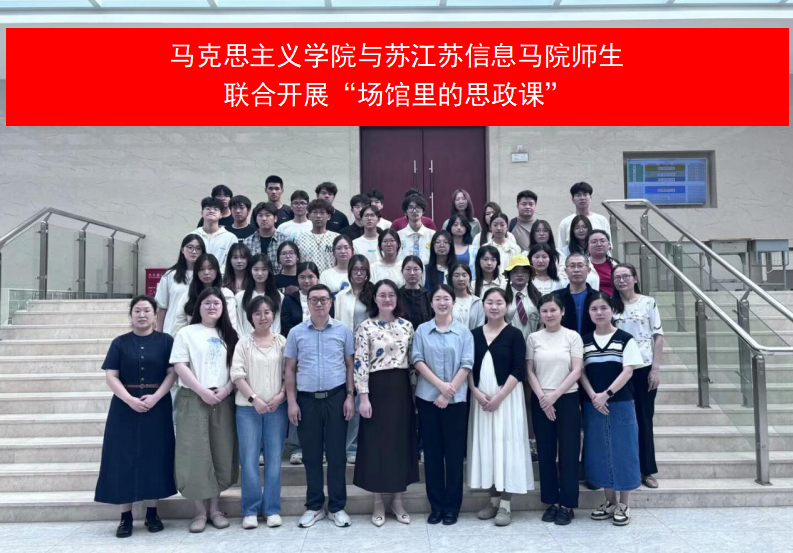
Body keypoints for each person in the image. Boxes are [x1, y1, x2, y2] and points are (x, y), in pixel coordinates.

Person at [95, 296, 177, 538]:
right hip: (124, 407)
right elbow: (111, 376)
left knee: (155, 456)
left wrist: (156, 397)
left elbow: (172, 373)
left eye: (147, 311)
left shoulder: (166, 341)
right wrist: (129, 399)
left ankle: (152, 514)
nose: (142, 315)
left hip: (157, 406)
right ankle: (126, 517)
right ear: (131, 315)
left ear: (155, 314)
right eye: (137, 311)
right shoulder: (119, 343)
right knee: (123, 458)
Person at [285, 284, 356, 528]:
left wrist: (350, 396)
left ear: (330, 303)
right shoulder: (296, 333)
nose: (319, 304)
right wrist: (291, 401)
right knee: (311, 455)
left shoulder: (343, 331)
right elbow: (289, 369)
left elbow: (350, 365)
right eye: (314, 299)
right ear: (307, 303)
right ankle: (315, 506)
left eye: (323, 299)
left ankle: (337, 507)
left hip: (336, 397)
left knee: (337, 455)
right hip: (306, 400)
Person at [170, 287, 240, 533]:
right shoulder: (186, 333)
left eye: (216, 303)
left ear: (223, 308)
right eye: (207, 303)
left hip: (222, 399)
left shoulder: (230, 334)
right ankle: (199, 512)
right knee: (195, 454)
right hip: (194, 397)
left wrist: (227, 389)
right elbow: (180, 365)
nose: (212, 307)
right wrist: (201, 391)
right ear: (198, 306)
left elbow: (238, 367)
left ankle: (215, 510)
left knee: (221, 451)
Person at [354, 280, 418, 527]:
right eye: (382, 295)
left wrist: (414, 395)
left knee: (400, 443)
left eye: (391, 295)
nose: (387, 299)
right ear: (375, 298)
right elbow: (360, 362)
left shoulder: (407, 326)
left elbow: (412, 363)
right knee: (376, 445)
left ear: (397, 299)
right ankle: (378, 501)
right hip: (376, 388)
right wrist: (363, 396)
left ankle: (398, 501)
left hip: (401, 389)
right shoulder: (365, 327)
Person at [468, 288, 533, 527]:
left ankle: (506, 504)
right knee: (488, 447)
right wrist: (475, 392)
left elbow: (518, 369)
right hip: (481, 400)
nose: (494, 307)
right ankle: (493, 500)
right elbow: (467, 366)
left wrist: (499, 397)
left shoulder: (514, 334)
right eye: (489, 302)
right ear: (483, 306)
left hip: (507, 400)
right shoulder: (473, 334)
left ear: (506, 306)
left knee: (507, 446)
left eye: (499, 302)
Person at [579, 292, 643, 526]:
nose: (599, 312)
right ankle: (609, 501)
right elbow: (580, 372)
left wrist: (606, 394)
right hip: (593, 403)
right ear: (589, 313)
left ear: (612, 310)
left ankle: (624, 504)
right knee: (599, 451)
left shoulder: (625, 339)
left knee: (623, 451)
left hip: (620, 403)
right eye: (594, 309)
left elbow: (628, 370)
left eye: (604, 308)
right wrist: (593, 396)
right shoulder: (584, 341)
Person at [413, 284, 474, 526]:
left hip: (456, 401)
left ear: (453, 302)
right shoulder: (422, 330)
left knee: (454, 454)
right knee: (433, 454)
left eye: (446, 298)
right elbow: (417, 360)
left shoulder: (463, 332)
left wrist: (449, 393)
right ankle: (436, 506)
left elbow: (467, 363)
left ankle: (452, 507)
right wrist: (441, 387)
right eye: (437, 298)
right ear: (431, 303)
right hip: (428, 399)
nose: (442, 302)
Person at [231, 295, 288, 529]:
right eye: (257, 313)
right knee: (249, 460)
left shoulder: (282, 342)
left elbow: (290, 373)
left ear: (273, 315)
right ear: (250, 317)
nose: (262, 317)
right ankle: (251, 510)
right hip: (248, 409)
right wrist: (254, 399)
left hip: (277, 408)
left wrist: (281, 396)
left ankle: (272, 509)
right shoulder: (243, 343)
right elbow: (237, 375)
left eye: (267, 312)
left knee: (274, 460)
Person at [526, 294, 583, 526]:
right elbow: (529, 371)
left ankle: (567, 504)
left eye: (553, 310)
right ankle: (552, 501)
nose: (549, 314)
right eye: (545, 311)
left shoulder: (572, 336)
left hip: (567, 398)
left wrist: (554, 396)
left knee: (569, 451)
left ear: (562, 312)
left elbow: (576, 370)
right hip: (541, 399)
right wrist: (543, 398)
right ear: (540, 314)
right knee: (546, 451)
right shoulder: (533, 338)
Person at [612, 264, 664, 490]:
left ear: (635, 278)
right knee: (621, 421)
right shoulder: (610, 306)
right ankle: (622, 468)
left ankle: (646, 470)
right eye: (617, 277)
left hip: (643, 368)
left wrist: (655, 369)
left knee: (644, 419)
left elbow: (658, 336)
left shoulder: (648, 303)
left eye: (626, 276)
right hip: (619, 370)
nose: (621, 280)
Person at [171, 253, 238, 337]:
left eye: (210, 268)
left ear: (217, 271)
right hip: (192, 340)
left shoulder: (226, 294)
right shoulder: (188, 295)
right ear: (196, 272)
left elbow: (231, 324)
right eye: (201, 269)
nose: (206, 272)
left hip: (219, 340)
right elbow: (179, 325)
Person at [155, 234, 205, 337]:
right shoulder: (169, 275)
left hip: (199, 330)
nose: (194, 251)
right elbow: (162, 307)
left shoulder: (206, 275)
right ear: (182, 250)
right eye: (190, 247)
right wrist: (158, 333)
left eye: (198, 248)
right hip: (172, 329)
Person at [235, 254, 283, 336]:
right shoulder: (240, 297)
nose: (260, 273)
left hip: (271, 341)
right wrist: (244, 341)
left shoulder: (279, 296)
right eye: (256, 269)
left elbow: (277, 324)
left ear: (269, 271)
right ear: (250, 271)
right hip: (246, 341)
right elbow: (238, 324)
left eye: (264, 269)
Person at [554, 253, 598, 337]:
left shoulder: (598, 297)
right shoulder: (555, 297)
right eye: (572, 266)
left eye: (580, 266)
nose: (576, 270)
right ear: (566, 271)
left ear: (588, 270)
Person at [557, 182, 612, 249]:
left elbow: (609, 246)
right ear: (573, 200)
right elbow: (561, 248)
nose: (582, 198)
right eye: (578, 195)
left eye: (585, 195)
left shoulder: (602, 220)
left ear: (590, 198)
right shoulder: (565, 222)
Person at [190, 197, 238, 271]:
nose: (211, 211)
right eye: (208, 208)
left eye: (215, 209)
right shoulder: (192, 236)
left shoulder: (230, 238)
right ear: (202, 213)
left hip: (222, 277)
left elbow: (230, 263)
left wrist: (217, 275)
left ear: (221, 215)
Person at [242, 202, 289, 274]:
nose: (264, 219)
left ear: (275, 218)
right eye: (260, 215)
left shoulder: (285, 241)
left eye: (267, 215)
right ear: (256, 219)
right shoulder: (247, 242)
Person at [295, 199, 340, 274]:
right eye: (315, 212)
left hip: (330, 279)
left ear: (329, 216)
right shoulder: (300, 239)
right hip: (307, 279)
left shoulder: (336, 238)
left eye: (322, 212)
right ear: (309, 216)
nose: (318, 216)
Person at [503, 255, 541, 341]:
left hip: (534, 342)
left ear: (529, 275)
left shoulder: (537, 297)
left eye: (524, 271)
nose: (520, 275)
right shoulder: (503, 297)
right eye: (515, 272)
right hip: (508, 342)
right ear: (509, 275)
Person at [397, 194, 435, 265]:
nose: (414, 211)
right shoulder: (398, 236)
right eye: (411, 207)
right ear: (405, 212)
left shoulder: (432, 235)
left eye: (418, 207)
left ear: (423, 211)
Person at [399, 256, 433, 332]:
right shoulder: (397, 296)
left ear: (422, 272)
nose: (412, 273)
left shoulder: (428, 296)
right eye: (408, 269)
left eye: (416, 269)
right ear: (402, 272)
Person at [449, 262, 484, 330]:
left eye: (464, 275)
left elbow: (480, 327)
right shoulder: (446, 301)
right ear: (451, 278)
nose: (461, 279)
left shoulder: (477, 302)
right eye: (456, 275)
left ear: (470, 278)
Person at [587, 229, 617, 297]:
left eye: (602, 241)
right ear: (587, 246)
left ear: (609, 245)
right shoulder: (581, 266)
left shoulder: (615, 265)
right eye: (594, 242)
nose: (599, 244)